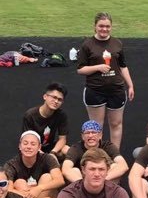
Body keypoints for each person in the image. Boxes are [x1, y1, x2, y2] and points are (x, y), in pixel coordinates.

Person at [77, 12, 135, 150]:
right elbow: (80, 69)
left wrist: (130, 85)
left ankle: (114, 155)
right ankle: (97, 157)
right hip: (95, 90)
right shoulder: (87, 45)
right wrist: (98, 67)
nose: (104, 29)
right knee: (96, 127)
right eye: (101, 26)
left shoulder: (117, 43)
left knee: (116, 124)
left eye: (107, 26)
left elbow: (122, 66)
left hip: (116, 90)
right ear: (95, 26)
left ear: (111, 27)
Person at [62, 120, 128, 183]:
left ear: (100, 135)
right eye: (87, 133)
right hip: (83, 182)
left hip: (104, 180)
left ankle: (109, 194)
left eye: (94, 132)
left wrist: (102, 180)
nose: (90, 136)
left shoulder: (108, 146)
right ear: (82, 136)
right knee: (74, 170)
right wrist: (84, 184)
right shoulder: (76, 148)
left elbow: (123, 166)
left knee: (114, 166)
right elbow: (65, 168)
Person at [21, 82, 69, 161]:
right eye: (54, 97)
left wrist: (53, 152)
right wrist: (46, 157)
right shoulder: (30, 115)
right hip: (33, 148)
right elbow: (28, 141)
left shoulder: (61, 115)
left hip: (49, 147)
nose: (56, 101)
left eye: (59, 99)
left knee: (66, 149)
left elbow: (62, 139)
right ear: (45, 96)